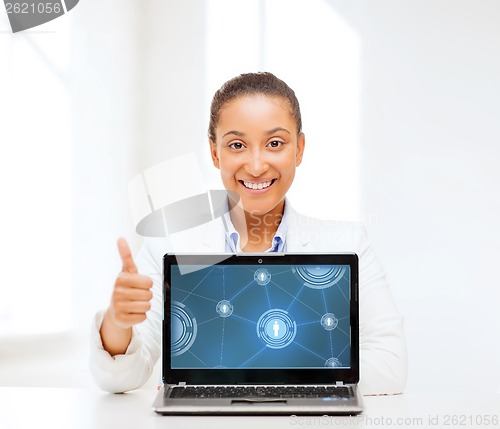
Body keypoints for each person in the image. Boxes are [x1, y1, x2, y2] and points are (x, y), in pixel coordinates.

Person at [90, 72, 407, 395]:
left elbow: (390, 365)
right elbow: (119, 378)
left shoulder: (348, 242)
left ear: (299, 149)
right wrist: (118, 321)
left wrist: (255, 383)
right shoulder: (169, 243)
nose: (256, 166)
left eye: (275, 143)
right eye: (237, 145)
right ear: (215, 153)